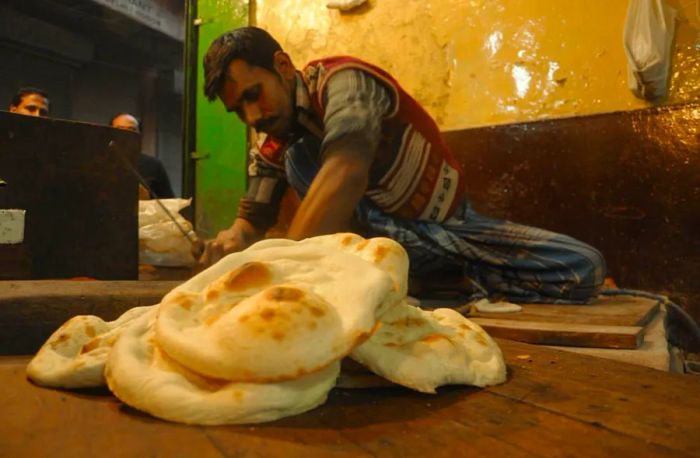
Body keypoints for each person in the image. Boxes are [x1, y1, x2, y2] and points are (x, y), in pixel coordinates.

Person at [197, 26, 606, 303]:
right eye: (239, 110)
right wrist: (231, 240)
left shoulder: (345, 81)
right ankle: (417, 284)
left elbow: (346, 169)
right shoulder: (275, 137)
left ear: (283, 67)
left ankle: (440, 282)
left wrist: (285, 273)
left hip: (446, 231)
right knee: (294, 154)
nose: (252, 116)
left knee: (584, 268)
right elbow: (252, 219)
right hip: (372, 250)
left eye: (254, 95)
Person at [110, 113, 175, 199]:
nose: (125, 133)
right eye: (120, 129)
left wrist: (147, 199)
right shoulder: (98, 161)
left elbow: (169, 203)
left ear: (140, 136)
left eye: (131, 130)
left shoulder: (153, 165)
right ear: (110, 132)